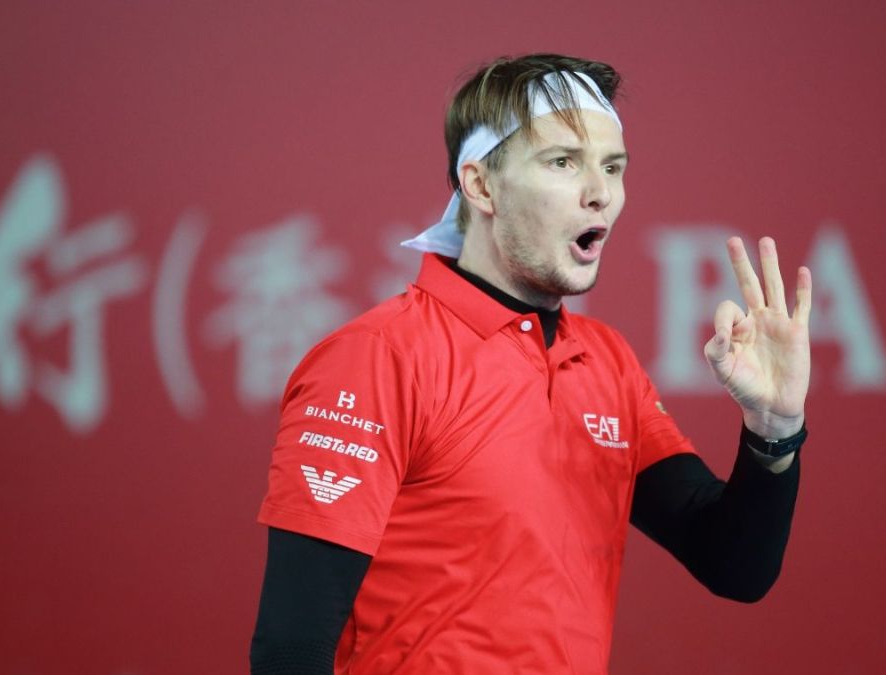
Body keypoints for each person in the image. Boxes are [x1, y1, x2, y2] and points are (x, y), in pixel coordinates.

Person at [249, 53, 813, 675]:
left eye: (612, 166)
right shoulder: (377, 357)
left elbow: (734, 566)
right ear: (480, 185)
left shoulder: (607, 361)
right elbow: (290, 650)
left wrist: (773, 428)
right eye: (562, 161)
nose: (600, 193)